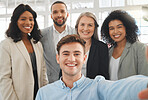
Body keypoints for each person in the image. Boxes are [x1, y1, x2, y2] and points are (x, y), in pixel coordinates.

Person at [35, 34, 148, 100]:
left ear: (84, 59)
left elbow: (121, 88)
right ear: (58, 58)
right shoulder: (44, 93)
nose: (71, 59)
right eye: (65, 54)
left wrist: (145, 85)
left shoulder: (98, 86)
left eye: (76, 54)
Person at [0, 4, 48, 100]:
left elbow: (43, 72)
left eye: (31, 19)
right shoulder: (6, 45)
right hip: (18, 96)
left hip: (38, 94)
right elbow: (4, 78)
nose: (28, 22)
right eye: (23, 19)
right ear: (15, 21)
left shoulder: (37, 44)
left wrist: (45, 93)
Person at [101, 10, 148, 81]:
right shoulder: (108, 51)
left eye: (119, 27)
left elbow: (145, 79)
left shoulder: (140, 48)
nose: (115, 31)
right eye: (111, 28)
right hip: (110, 91)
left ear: (127, 28)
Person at [40, 1, 76, 83]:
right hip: (50, 82)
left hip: (73, 81)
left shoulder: (76, 33)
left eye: (62, 11)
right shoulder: (42, 34)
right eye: (55, 12)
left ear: (67, 14)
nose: (59, 15)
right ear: (51, 16)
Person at [75, 12, 109, 79]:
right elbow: (62, 73)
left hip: (93, 88)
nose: (85, 28)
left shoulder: (102, 48)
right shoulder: (68, 45)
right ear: (77, 27)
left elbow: (104, 76)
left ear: (94, 28)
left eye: (90, 25)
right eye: (82, 24)